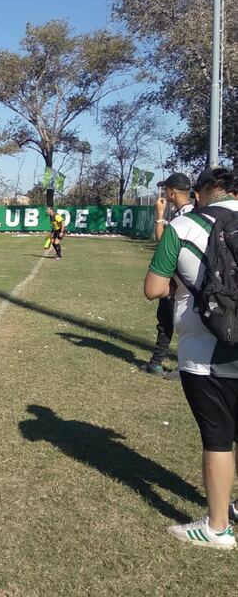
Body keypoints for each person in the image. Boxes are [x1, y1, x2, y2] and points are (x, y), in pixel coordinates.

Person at [143, 166, 238, 549]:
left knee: (218, 438)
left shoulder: (183, 227)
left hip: (206, 349)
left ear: (202, 192)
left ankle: (217, 528)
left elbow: (154, 288)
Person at [145, 173, 194, 376]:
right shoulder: (185, 212)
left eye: (166, 189)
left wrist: (159, 215)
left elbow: (161, 242)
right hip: (179, 278)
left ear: (172, 192)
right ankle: (157, 362)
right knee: (166, 319)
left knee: (175, 322)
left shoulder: (185, 217)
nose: (164, 192)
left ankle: (181, 366)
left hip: (180, 280)